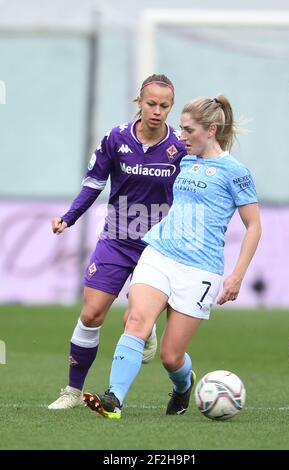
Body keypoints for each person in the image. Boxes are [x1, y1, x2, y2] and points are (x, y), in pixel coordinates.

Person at [83, 94, 262, 419]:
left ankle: (183, 386)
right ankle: (114, 401)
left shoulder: (235, 172)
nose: (180, 136)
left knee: (170, 356)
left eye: (187, 130)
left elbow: (254, 226)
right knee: (135, 321)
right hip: (159, 253)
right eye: (179, 128)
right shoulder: (182, 158)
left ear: (210, 130)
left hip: (200, 270)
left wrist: (237, 274)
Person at [48, 74, 187, 409]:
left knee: (134, 322)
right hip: (116, 239)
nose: (157, 111)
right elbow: (94, 183)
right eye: (151, 103)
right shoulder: (116, 138)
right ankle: (71, 392)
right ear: (139, 102)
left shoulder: (180, 148)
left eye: (164, 105)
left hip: (157, 247)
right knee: (92, 314)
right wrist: (69, 217)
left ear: (171, 107)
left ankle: (152, 338)